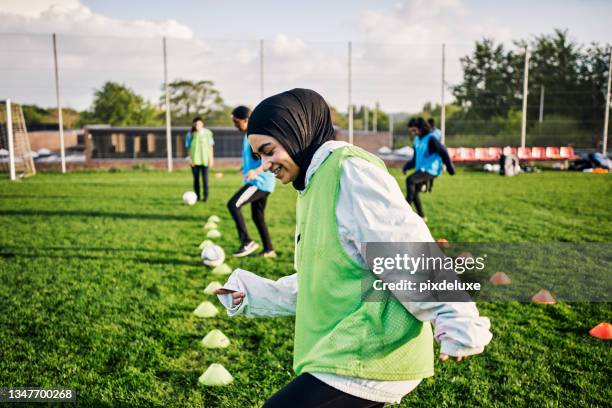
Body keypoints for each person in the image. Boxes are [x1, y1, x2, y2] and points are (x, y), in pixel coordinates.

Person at [214, 89, 492, 407]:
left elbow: (404, 245)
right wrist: (253, 293)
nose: (265, 165)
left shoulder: (349, 172)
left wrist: (456, 315)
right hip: (351, 349)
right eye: (259, 156)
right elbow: (326, 278)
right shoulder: (312, 184)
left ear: (297, 133)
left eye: (269, 151)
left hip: (372, 350)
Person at [227, 106, 276, 258]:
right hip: (261, 182)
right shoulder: (248, 135)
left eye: (236, 122)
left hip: (259, 183)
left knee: (233, 204)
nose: (235, 125)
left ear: (246, 120)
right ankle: (269, 250)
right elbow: (254, 158)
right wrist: (246, 167)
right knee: (257, 217)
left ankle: (247, 241)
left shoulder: (256, 135)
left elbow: (270, 159)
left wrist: (255, 171)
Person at [403, 117, 455, 221]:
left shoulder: (431, 138)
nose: (413, 133)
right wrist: (407, 166)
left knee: (410, 180)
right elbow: (415, 158)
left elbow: (443, 151)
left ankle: (404, 210)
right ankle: (422, 217)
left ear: (421, 128)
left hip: (432, 169)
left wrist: (450, 168)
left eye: (414, 130)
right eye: (411, 131)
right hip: (421, 169)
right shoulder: (417, 140)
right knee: (414, 192)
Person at [185, 116, 214, 202]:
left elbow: (210, 146)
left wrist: (211, 159)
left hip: (205, 160)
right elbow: (188, 148)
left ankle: (205, 197)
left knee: (205, 180)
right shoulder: (190, 134)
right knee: (196, 179)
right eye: (195, 123)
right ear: (193, 124)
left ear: (202, 124)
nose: (197, 125)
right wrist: (190, 159)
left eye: (199, 123)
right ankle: (197, 197)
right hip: (194, 161)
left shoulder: (207, 133)